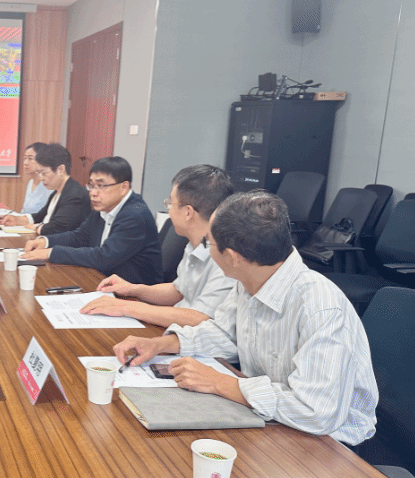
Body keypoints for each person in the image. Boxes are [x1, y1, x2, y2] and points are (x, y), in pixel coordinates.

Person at [112, 191, 378, 446]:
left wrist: (220, 382)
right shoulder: (253, 278)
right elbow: (226, 334)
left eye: (209, 243)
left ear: (232, 258)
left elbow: (316, 411)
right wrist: (161, 345)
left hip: (328, 444)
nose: (207, 249)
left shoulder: (320, 307)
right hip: (267, 417)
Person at [80, 164, 235, 327]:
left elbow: (200, 318)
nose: (169, 210)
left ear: (188, 212)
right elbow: (178, 291)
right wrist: (133, 289)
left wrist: (126, 307)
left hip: (192, 336)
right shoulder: (194, 244)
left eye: (170, 203)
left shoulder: (225, 257)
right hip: (176, 329)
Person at [21, 156, 162, 284]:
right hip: (103, 279)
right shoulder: (105, 206)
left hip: (133, 292)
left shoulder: (136, 213)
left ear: (123, 187)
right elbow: (79, 237)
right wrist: (45, 241)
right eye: (92, 186)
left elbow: (104, 257)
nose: (93, 193)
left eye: (101, 186)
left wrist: (51, 253)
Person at [0, 143, 90, 236]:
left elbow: (57, 228)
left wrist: (37, 227)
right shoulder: (56, 192)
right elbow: (40, 216)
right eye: (39, 173)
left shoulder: (74, 194)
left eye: (44, 173)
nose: (41, 178)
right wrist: (17, 220)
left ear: (61, 170)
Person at [19, 142, 54, 215]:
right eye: (25, 158)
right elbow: (25, 210)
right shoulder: (31, 182)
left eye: (30, 158)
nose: (25, 163)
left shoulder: (49, 185)